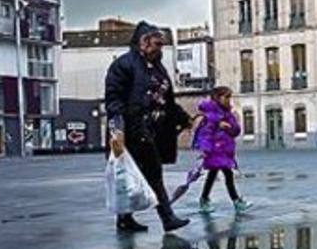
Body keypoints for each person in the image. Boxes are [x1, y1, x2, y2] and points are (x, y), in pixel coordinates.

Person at [105, 21, 193, 232]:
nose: (160, 48)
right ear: (144, 43)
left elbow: (167, 101)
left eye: (162, 44)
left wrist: (184, 118)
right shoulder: (124, 65)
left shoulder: (158, 68)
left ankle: (126, 219)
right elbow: (113, 99)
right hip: (132, 131)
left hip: (152, 131)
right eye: (157, 44)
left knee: (135, 175)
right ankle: (167, 218)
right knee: (142, 174)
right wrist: (120, 130)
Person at [193, 86, 251, 214]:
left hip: (224, 150)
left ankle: (204, 198)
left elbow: (235, 130)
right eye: (226, 97)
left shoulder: (227, 113)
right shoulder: (210, 115)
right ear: (218, 97)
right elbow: (205, 134)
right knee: (227, 175)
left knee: (213, 175)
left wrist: (230, 127)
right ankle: (236, 201)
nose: (229, 100)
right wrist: (205, 149)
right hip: (215, 150)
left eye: (230, 97)